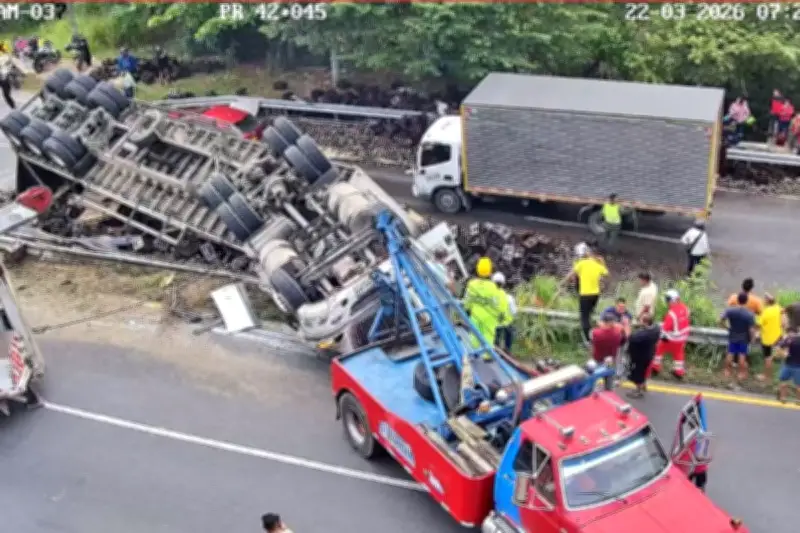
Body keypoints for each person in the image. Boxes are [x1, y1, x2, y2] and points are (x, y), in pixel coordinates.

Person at [463, 257, 508, 348]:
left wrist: (467, 309)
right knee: (488, 340)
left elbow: (467, 300)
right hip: (489, 319)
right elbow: (498, 304)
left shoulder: (471, 284)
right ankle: (486, 354)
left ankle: (474, 352)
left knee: (474, 338)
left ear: (477, 269)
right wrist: (501, 315)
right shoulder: (493, 287)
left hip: (475, 316)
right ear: (490, 271)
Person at [567, 250, 608, 343]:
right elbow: (606, 274)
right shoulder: (597, 264)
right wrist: (602, 263)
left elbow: (571, 274)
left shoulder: (582, 263)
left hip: (585, 294)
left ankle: (589, 339)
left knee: (584, 317)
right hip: (595, 295)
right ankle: (594, 332)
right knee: (589, 314)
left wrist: (563, 283)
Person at [651, 289, 690, 379]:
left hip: (672, 338)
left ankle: (655, 368)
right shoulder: (685, 308)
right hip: (683, 337)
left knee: (659, 348)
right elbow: (687, 318)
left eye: (668, 299)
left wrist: (661, 336)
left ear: (672, 300)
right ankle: (679, 372)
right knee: (679, 353)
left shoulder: (671, 314)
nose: (667, 302)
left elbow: (665, 328)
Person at [720, 292, 757, 383]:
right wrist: (752, 338)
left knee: (730, 353)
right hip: (744, 338)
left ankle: (727, 371)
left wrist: (727, 328)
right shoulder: (749, 314)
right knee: (742, 356)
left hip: (733, 335)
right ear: (746, 301)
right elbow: (751, 329)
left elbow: (721, 320)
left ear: (737, 300)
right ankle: (740, 374)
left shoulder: (730, 310)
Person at [626, 313, 660, 398]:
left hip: (640, 357)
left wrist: (627, 328)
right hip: (649, 354)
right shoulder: (656, 328)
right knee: (644, 371)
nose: (639, 320)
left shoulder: (643, 335)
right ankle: (643, 385)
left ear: (645, 322)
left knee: (638, 373)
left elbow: (630, 338)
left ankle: (638, 391)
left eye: (641, 320)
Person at [757, 293, 782, 381]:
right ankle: (773, 375)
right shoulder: (779, 308)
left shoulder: (766, 311)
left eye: (765, 300)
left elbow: (759, 324)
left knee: (767, 358)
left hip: (767, 338)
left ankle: (766, 376)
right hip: (777, 337)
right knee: (772, 356)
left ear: (767, 301)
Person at [492, 272, 516, 352]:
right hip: (507, 323)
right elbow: (514, 311)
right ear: (503, 283)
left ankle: (496, 352)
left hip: (495, 323)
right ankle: (507, 351)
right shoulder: (509, 297)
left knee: (495, 339)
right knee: (509, 335)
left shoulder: (491, 297)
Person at [776, 328, 800, 403]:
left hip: (788, 364)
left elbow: (779, 347)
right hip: (796, 366)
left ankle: (783, 398)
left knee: (784, 381)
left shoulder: (790, 339)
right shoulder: (791, 339)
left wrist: (783, 353)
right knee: (798, 385)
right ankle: (798, 400)